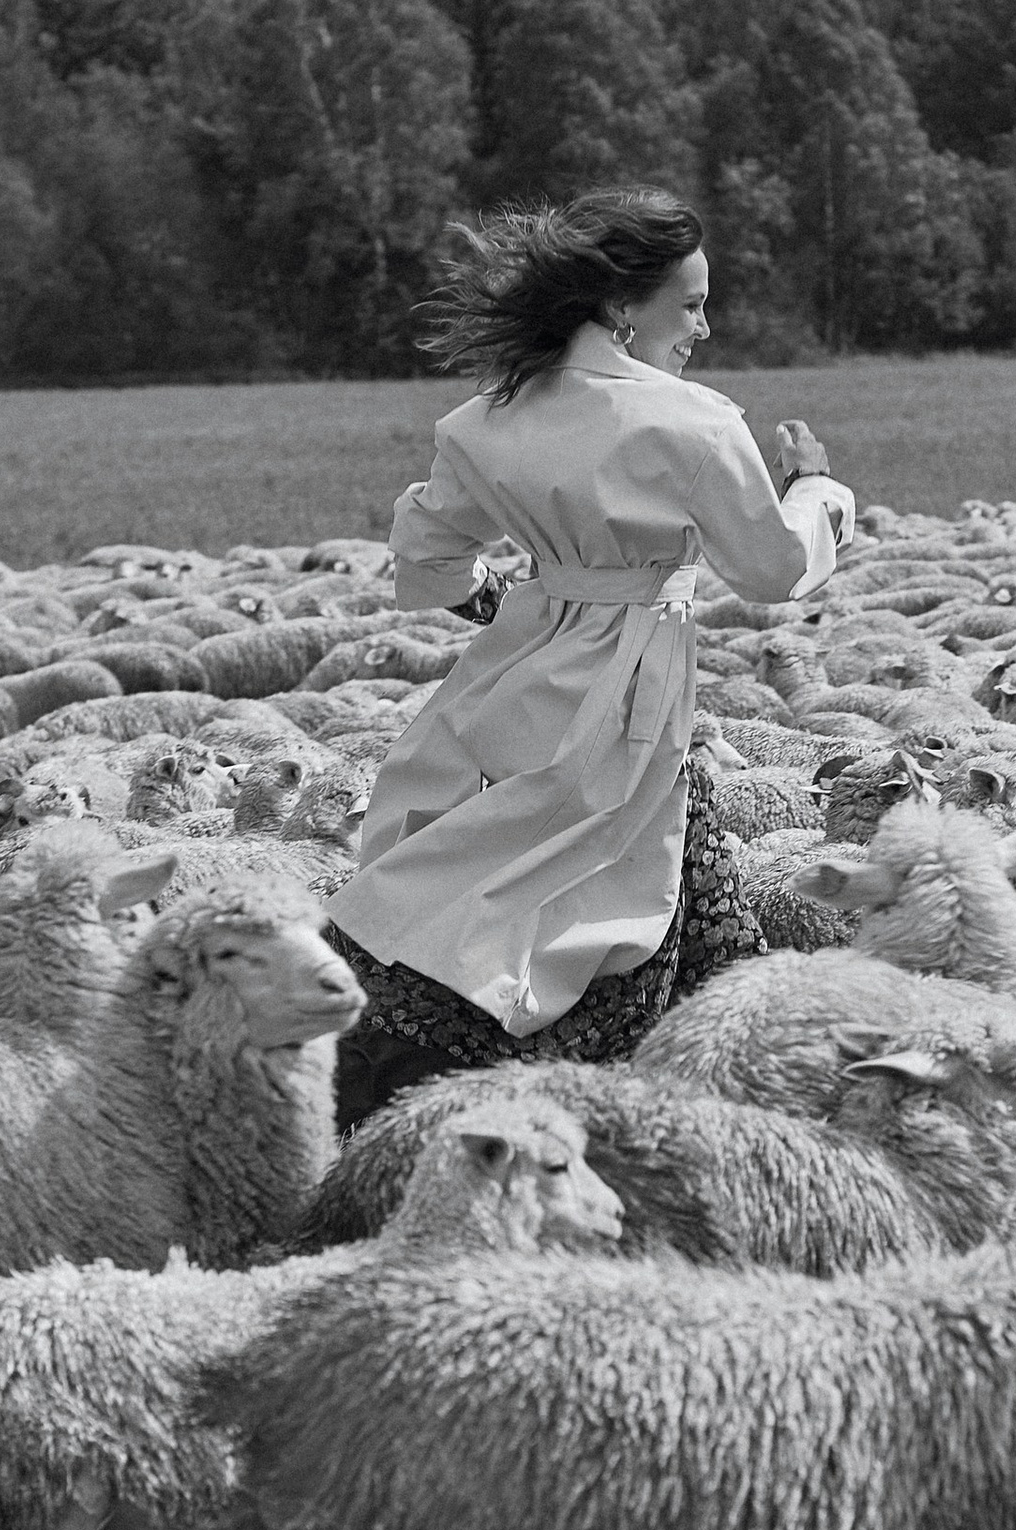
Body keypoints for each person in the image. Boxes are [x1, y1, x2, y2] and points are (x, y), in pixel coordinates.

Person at [326, 188, 855, 1114]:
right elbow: (772, 568)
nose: (703, 325)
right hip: (635, 682)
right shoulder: (691, 423)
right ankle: (583, 1088)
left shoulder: (493, 414)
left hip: (521, 670)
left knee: (493, 860)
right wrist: (817, 488)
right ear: (622, 306)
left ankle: (739, 1069)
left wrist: (491, 601)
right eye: (688, 304)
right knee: (597, 885)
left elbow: (427, 544)